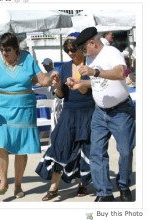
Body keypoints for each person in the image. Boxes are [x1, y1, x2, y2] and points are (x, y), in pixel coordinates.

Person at [0, 33, 53, 199]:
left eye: (7, 50)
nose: (4, 53)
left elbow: (42, 80)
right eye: (1, 50)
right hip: (3, 109)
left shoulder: (28, 59)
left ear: (16, 49)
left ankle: (18, 185)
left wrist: (51, 78)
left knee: (21, 148)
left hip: (24, 108)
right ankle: (3, 181)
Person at [74, 27, 135, 202]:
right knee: (97, 153)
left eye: (83, 48)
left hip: (121, 111)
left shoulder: (111, 52)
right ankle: (104, 193)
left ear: (92, 43)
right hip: (100, 112)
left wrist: (95, 72)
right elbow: (98, 83)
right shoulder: (89, 58)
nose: (82, 52)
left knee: (125, 151)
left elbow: (122, 73)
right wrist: (81, 83)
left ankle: (123, 185)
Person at [35, 32, 95, 201]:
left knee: (84, 147)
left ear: (81, 48)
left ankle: (82, 183)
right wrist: (58, 85)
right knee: (60, 145)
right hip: (69, 111)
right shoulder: (65, 67)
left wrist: (77, 84)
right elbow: (61, 95)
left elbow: (86, 91)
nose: (70, 53)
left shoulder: (90, 65)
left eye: (73, 49)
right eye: (67, 50)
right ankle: (53, 187)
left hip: (87, 111)